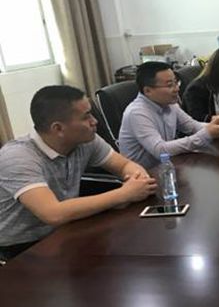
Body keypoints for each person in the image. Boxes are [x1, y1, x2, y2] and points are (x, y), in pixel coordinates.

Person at [0, 86, 157, 261]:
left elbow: (124, 165)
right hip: (21, 248)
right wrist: (124, 194)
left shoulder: (86, 140)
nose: (94, 121)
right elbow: (52, 213)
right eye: (86, 116)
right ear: (58, 128)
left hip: (65, 231)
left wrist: (137, 180)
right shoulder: (18, 157)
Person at [119, 61, 219, 169]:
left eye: (176, 82)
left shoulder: (169, 104)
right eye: (170, 85)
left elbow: (192, 126)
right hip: (144, 174)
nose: (177, 89)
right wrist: (206, 134)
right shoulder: (137, 113)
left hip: (168, 166)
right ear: (148, 91)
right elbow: (160, 150)